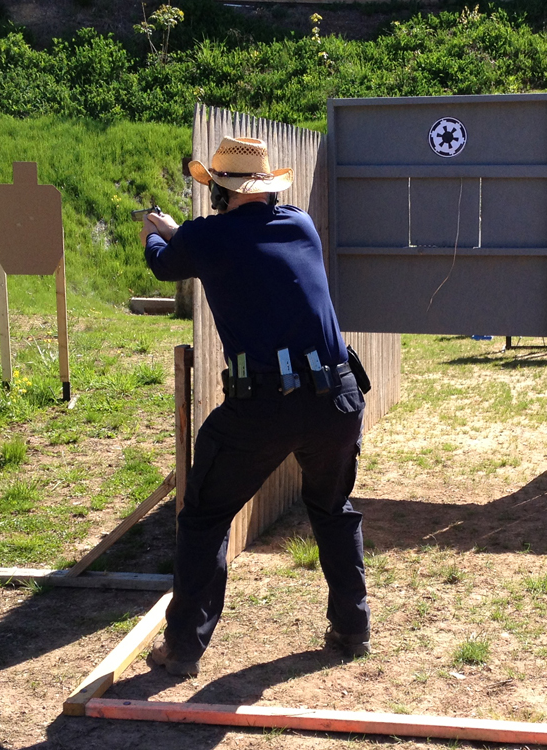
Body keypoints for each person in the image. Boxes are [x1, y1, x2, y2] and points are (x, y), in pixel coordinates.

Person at [140, 136, 371, 677]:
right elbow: (232, 247)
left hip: (263, 406)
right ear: (267, 188)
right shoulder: (300, 226)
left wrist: (155, 234)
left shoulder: (206, 237)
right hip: (337, 399)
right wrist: (183, 234)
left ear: (219, 192)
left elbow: (166, 264)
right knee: (333, 508)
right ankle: (352, 627)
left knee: (203, 518)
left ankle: (182, 649)